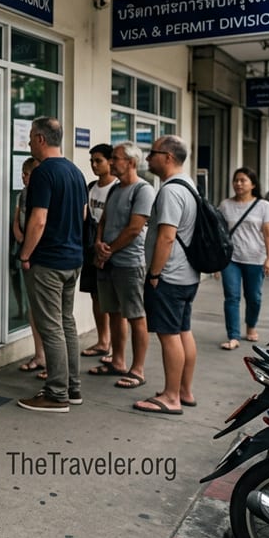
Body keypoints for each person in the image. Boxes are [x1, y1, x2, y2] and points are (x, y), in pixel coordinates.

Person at [15, 117, 87, 413]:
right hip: (72, 260)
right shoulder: (75, 171)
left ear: (41, 139)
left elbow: (39, 219)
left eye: (31, 137)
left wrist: (25, 254)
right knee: (66, 322)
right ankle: (73, 387)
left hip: (48, 262)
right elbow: (82, 216)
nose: (29, 142)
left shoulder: (44, 173)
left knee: (51, 327)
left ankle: (56, 394)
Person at [134, 135, 199, 415]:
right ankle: (183, 390)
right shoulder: (189, 184)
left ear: (168, 157)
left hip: (169, 276)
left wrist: (155, 274)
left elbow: (167, 237)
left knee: (169, 335)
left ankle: (171, 397)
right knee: (183, 331)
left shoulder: (171, 191)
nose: (148, 159)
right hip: (188, 275)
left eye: (153, 153)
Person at [90, 142, 154, 389]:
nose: (112, 162)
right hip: (107, 261)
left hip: (128, 263)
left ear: (131, 162)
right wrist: (98, 243)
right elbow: (103, 220)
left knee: (135, 315)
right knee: (114, 313)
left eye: (115, 158)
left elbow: (135, 228)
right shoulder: (116, 188)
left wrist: (109, 250)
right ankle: (117, 360)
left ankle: (137, 369)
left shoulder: (143, 190)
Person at [218, 168, 269, 350]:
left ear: (253, 184)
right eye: (236, 180)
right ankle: (233, 336)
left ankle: (251, 325)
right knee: (231, 297)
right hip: (231, 259)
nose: (239, 184)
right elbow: (219, 234)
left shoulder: (263, 206)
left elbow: (268, 235)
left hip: (255, 258)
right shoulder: (225, 205)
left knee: (254, 297)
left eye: (243, 180)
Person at [80, 143, 116, 361]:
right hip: (91, 248)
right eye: (92, 161)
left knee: (114, 302)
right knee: (96, 296)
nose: (94, 165)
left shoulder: (119, 188)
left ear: (111, 162)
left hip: (111, 251)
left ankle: (116, 348)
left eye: (98, 160)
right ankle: (103, 341)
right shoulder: (91, 186)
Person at [13, 157, 45, 375]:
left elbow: (41, 223)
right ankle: (40, 355)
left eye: (27, 174)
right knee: (34, 308)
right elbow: (17, 219)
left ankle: (54, 365)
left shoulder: (43, 195)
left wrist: (28, 250)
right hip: (25, 251)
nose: (23, 178)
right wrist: (20, 238)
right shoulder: (22, 195)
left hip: (40, 256)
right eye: (22, 173)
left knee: (48, 312)